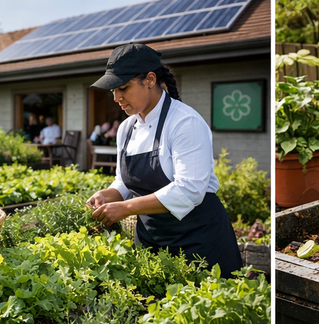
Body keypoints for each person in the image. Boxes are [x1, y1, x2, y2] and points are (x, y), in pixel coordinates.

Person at [85, 43, 243, 277]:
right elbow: (124, 181)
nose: (117, 97)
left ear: (150, 79)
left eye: (124, 88)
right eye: (113, 91)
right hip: (151, 241)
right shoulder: (126, 128)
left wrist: (126, 208)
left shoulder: (184, 122)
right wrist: (109, 194)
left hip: (198, 243)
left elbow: (190, 190)